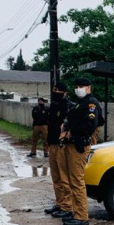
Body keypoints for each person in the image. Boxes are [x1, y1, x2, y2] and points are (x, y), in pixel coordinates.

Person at [60, 78, 103, 225]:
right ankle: (77, 212)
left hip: (79, 145)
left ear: (89, 87)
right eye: (77, 86)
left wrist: (73, 131)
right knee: (73, 181)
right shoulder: (81, 103)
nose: (78, 89)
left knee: (77, 181)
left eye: (81, 86)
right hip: (73, 144)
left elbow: (91, 125)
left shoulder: (90, 104)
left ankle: (82, 216)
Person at [45, 83, 73, 218]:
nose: (55, 92)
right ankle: (59, 203)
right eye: (54, 89)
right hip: (52, 143)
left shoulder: (68, 106)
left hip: (62, 145)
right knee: (55, 177)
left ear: (65, 92)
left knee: (63, 176)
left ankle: (67, 206)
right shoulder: (54, 105)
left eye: (57, 90)